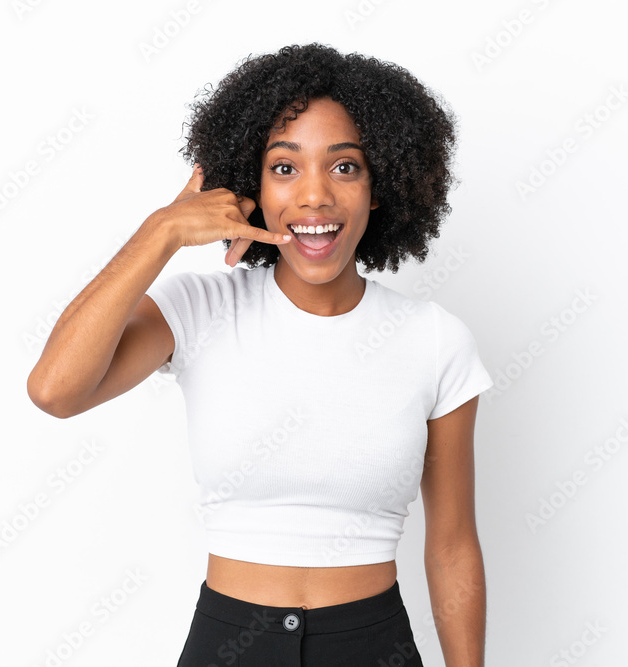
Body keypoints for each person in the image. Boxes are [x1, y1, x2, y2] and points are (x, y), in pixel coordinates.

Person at [27, 42, 493, 667]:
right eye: (284, 167)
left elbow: (453, 546)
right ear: (253, 187)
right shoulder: (200, 309)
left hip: (371, 645)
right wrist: (163, 230)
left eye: (345, 166)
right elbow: (55, 390)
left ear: (380, 186)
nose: (314, 196)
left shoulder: (434, 340)